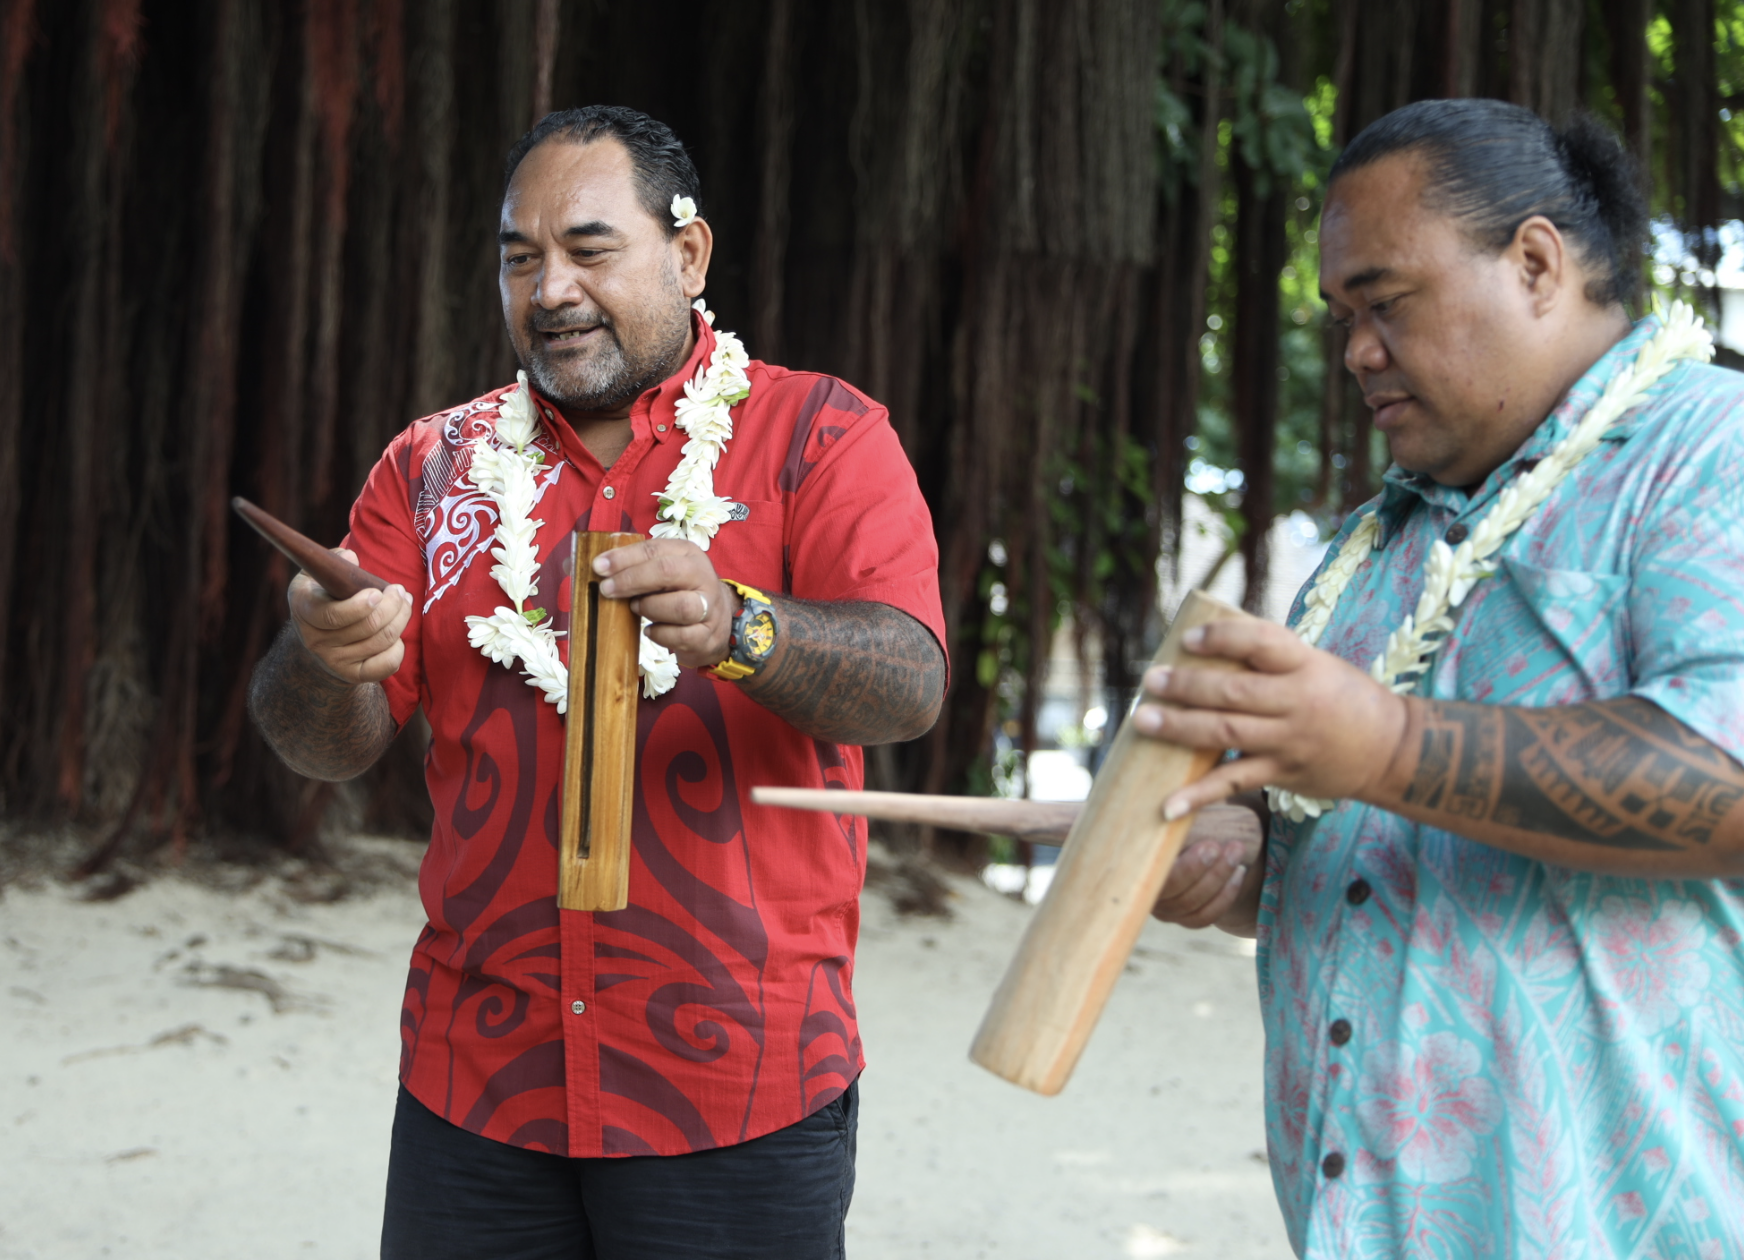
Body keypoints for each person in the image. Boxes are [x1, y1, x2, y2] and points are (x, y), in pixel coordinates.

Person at [248, 105, 947, 1260]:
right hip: (477, 1086)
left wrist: (741, 626)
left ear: (688, 254)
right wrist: (320, 658)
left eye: (588, 248)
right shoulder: (433, 468)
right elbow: (322, 742)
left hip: (738, 1087)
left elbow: (909, 683)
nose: (551, 290)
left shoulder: (819, 435)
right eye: (520, 259)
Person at [1140, 99, 1744, 1256]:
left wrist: (1386, 746)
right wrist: (1236, 868)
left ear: (1533, 264)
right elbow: (1385, 860)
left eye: (1386, 302)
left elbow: (1725, 776)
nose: (1357, 349)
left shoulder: (1707, 452)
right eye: (1342, 315)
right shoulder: (1378, 542)